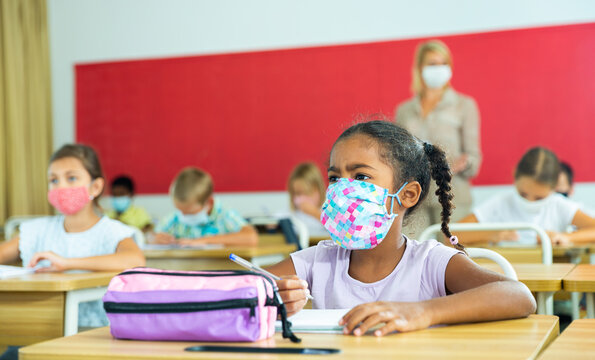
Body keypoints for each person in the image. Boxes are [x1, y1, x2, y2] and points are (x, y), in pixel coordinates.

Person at [267, 120, 535, 337]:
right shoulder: (319, 260)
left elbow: (518, 296)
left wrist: (420, 312)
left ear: (407, 195)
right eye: (335, 178)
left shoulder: (430, 262)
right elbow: (234, 287)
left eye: (361, 176)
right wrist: (264, 296)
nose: (341, 190)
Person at [0, 144, 146, 328]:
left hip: (93, 332)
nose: (61, 186)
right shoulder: (38, 230)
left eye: (71, 178)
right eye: (54, 180)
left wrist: (68, 263)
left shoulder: (111, 231)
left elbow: (134, 260)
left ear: (95, 186)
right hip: (37, 329)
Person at [394, 39, 481, 238]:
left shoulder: (464, 105)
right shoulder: (404, 110)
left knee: (453, 256)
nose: (438, 69)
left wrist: (463, 163)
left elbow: (474, 157)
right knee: (412, 253)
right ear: (420, 68)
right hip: (415, 195)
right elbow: (398, 152)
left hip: (452, 195)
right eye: (432, 64)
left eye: (444, 64)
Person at [459, 147, 595, 246]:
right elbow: (452, 234)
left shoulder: (558, 205)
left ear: (554, 188)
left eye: (539, 198)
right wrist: (491, 234)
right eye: (523, 194)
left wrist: (566, 237)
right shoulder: (501, 203)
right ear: (515, 176)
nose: (529, 202)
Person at [153, 167, 258, 246]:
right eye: (180, 210)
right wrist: (153, 239)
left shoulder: (224, 215)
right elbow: (151, 235)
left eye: (189, 212)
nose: (183, 216)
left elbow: (251, 237)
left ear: (208, 202)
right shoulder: (175, 218)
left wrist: (204, 240)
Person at [287, 162, 328, 237]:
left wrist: (314, 213)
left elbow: (336, 227)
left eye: (307, 193)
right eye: (298, 193)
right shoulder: (292, 214)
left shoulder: (327, 211)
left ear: (319, 190)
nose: (302, 199)